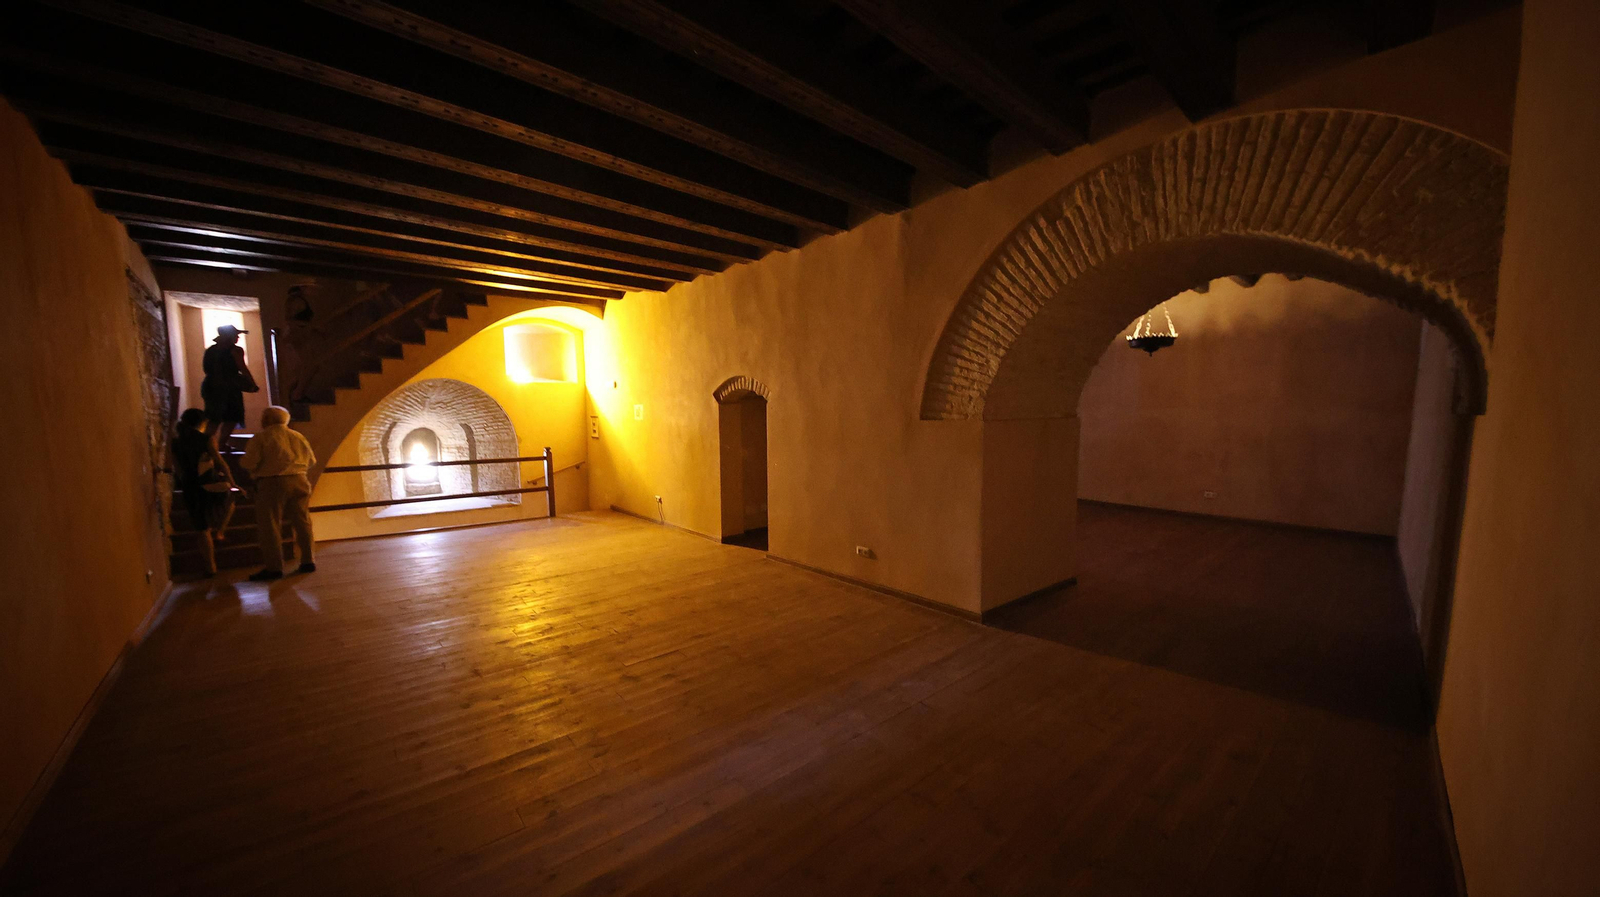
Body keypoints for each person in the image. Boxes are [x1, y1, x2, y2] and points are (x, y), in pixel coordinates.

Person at [240, 405, 317, 582]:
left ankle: (274, 567)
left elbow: (249, 462)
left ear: (267, 419)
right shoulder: (298, 436)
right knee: (303, 521)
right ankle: (308, 560)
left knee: (270, 524)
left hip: (271, 481)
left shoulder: (262, 437)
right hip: (300, 479)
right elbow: (311, 460)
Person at [171, 408, 240, 577]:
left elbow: (177, 468)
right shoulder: (206, 439)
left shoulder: (175, 442)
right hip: (208, 482)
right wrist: (232, 481)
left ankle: (211, 568)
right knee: (231, 499)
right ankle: (220, 531)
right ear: (202, 423)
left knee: (201, 527)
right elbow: (220, 462)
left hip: (190, 485)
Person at [201, 323, 259, 453]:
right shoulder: (235, 350)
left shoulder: (210, 350)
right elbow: (242, 367)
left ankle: (205, 446)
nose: (237, 338)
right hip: (229, 388)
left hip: (210, 386)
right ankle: (221, 444)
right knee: (232, 416)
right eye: (236, 335)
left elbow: (206, 369)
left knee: (213, 418)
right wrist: (252, 384)